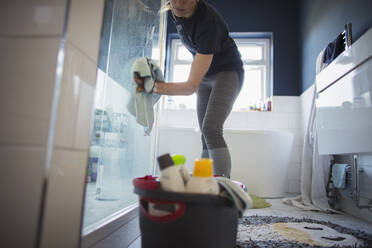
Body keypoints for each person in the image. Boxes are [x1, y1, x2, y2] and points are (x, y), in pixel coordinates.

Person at [134, 0, 244, 178]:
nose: (178, 3)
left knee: (211, 129)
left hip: (228, 71)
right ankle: (203, 182)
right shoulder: (173, 9)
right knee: (204, 135)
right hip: (205, 77)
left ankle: (223, 188)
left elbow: (189, 87)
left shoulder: (209, 22)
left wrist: (151, 87)